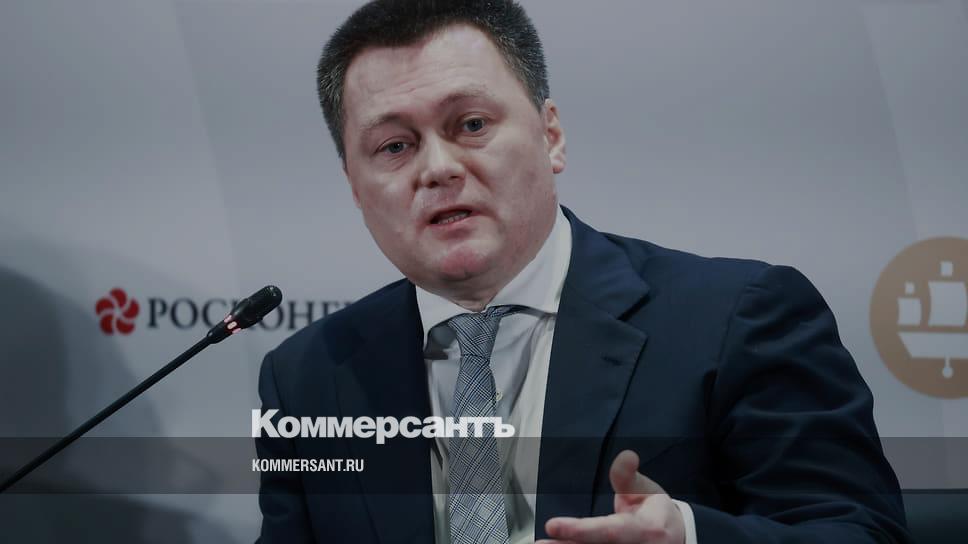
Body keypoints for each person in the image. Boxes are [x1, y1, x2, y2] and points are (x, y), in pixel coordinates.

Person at [255, 1, 911, 542]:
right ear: (354, 185)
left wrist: (688, 537)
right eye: (394, 146)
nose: (438, 168)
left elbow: (859, 532)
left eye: (472, 124)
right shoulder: (309, 377)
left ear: (552, 135)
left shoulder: (740, 319)